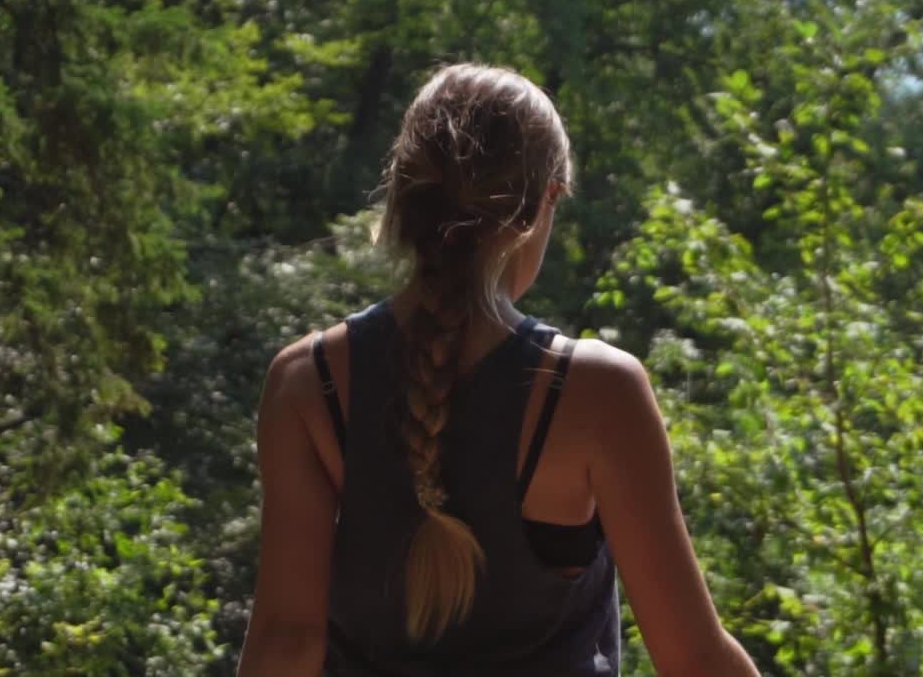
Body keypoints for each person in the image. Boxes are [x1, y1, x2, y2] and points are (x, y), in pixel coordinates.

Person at [236, 63, 759, 677]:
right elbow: (694, 658)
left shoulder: (308, 382)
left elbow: (285, 643)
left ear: (403, 197)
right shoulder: (595, 393)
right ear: (542, 206)